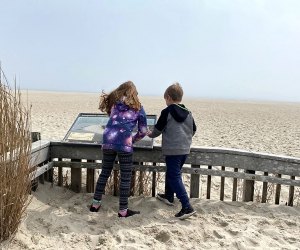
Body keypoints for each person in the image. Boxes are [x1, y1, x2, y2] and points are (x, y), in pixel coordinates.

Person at [90, 81, 148, 218]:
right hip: (124, 143)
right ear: (134, 93)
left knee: (104, 173)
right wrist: (131, 140)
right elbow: (143, 131)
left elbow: (113, 121)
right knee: (125, 177)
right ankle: (123, 211)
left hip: (108, 140)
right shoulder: (138, 107)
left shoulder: (115, 105)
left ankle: (95, 205)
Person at [147, 82, 197, 220]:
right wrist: (184, 140)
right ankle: (169, 196)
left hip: (172, 150)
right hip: (184, 149)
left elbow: (157, 130)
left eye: (165, 99)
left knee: (174, 176)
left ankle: (187, 206)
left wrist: (148, 134)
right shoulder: (188, 112)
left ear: (168, 97)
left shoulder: (167, 111)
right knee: (172, 173)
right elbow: (194, 129)